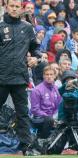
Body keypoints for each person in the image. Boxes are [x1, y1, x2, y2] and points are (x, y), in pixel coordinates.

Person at [0, 0, 41, 155]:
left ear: (21, 9)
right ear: (6, 7)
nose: (14, 9)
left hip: (20, 78)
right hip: (1, 78)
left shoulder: (27, 27)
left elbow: (36, 48)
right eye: (12, 6)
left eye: (17, 6)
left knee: (22, 114)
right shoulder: (0, 27)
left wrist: (35, 58)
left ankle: (26, 148)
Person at [30, 66, 62, 139]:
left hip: (53, 117)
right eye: (47, 74)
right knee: (49, 120)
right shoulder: (37, 90)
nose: (49, 77)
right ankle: (43, 139)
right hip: (40, 118)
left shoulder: (57, 89)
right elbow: (35, 110)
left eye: (51, 74)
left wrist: (55, 117)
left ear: (54, 76)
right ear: (43, 76)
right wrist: (50, 117)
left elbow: (59, 106)